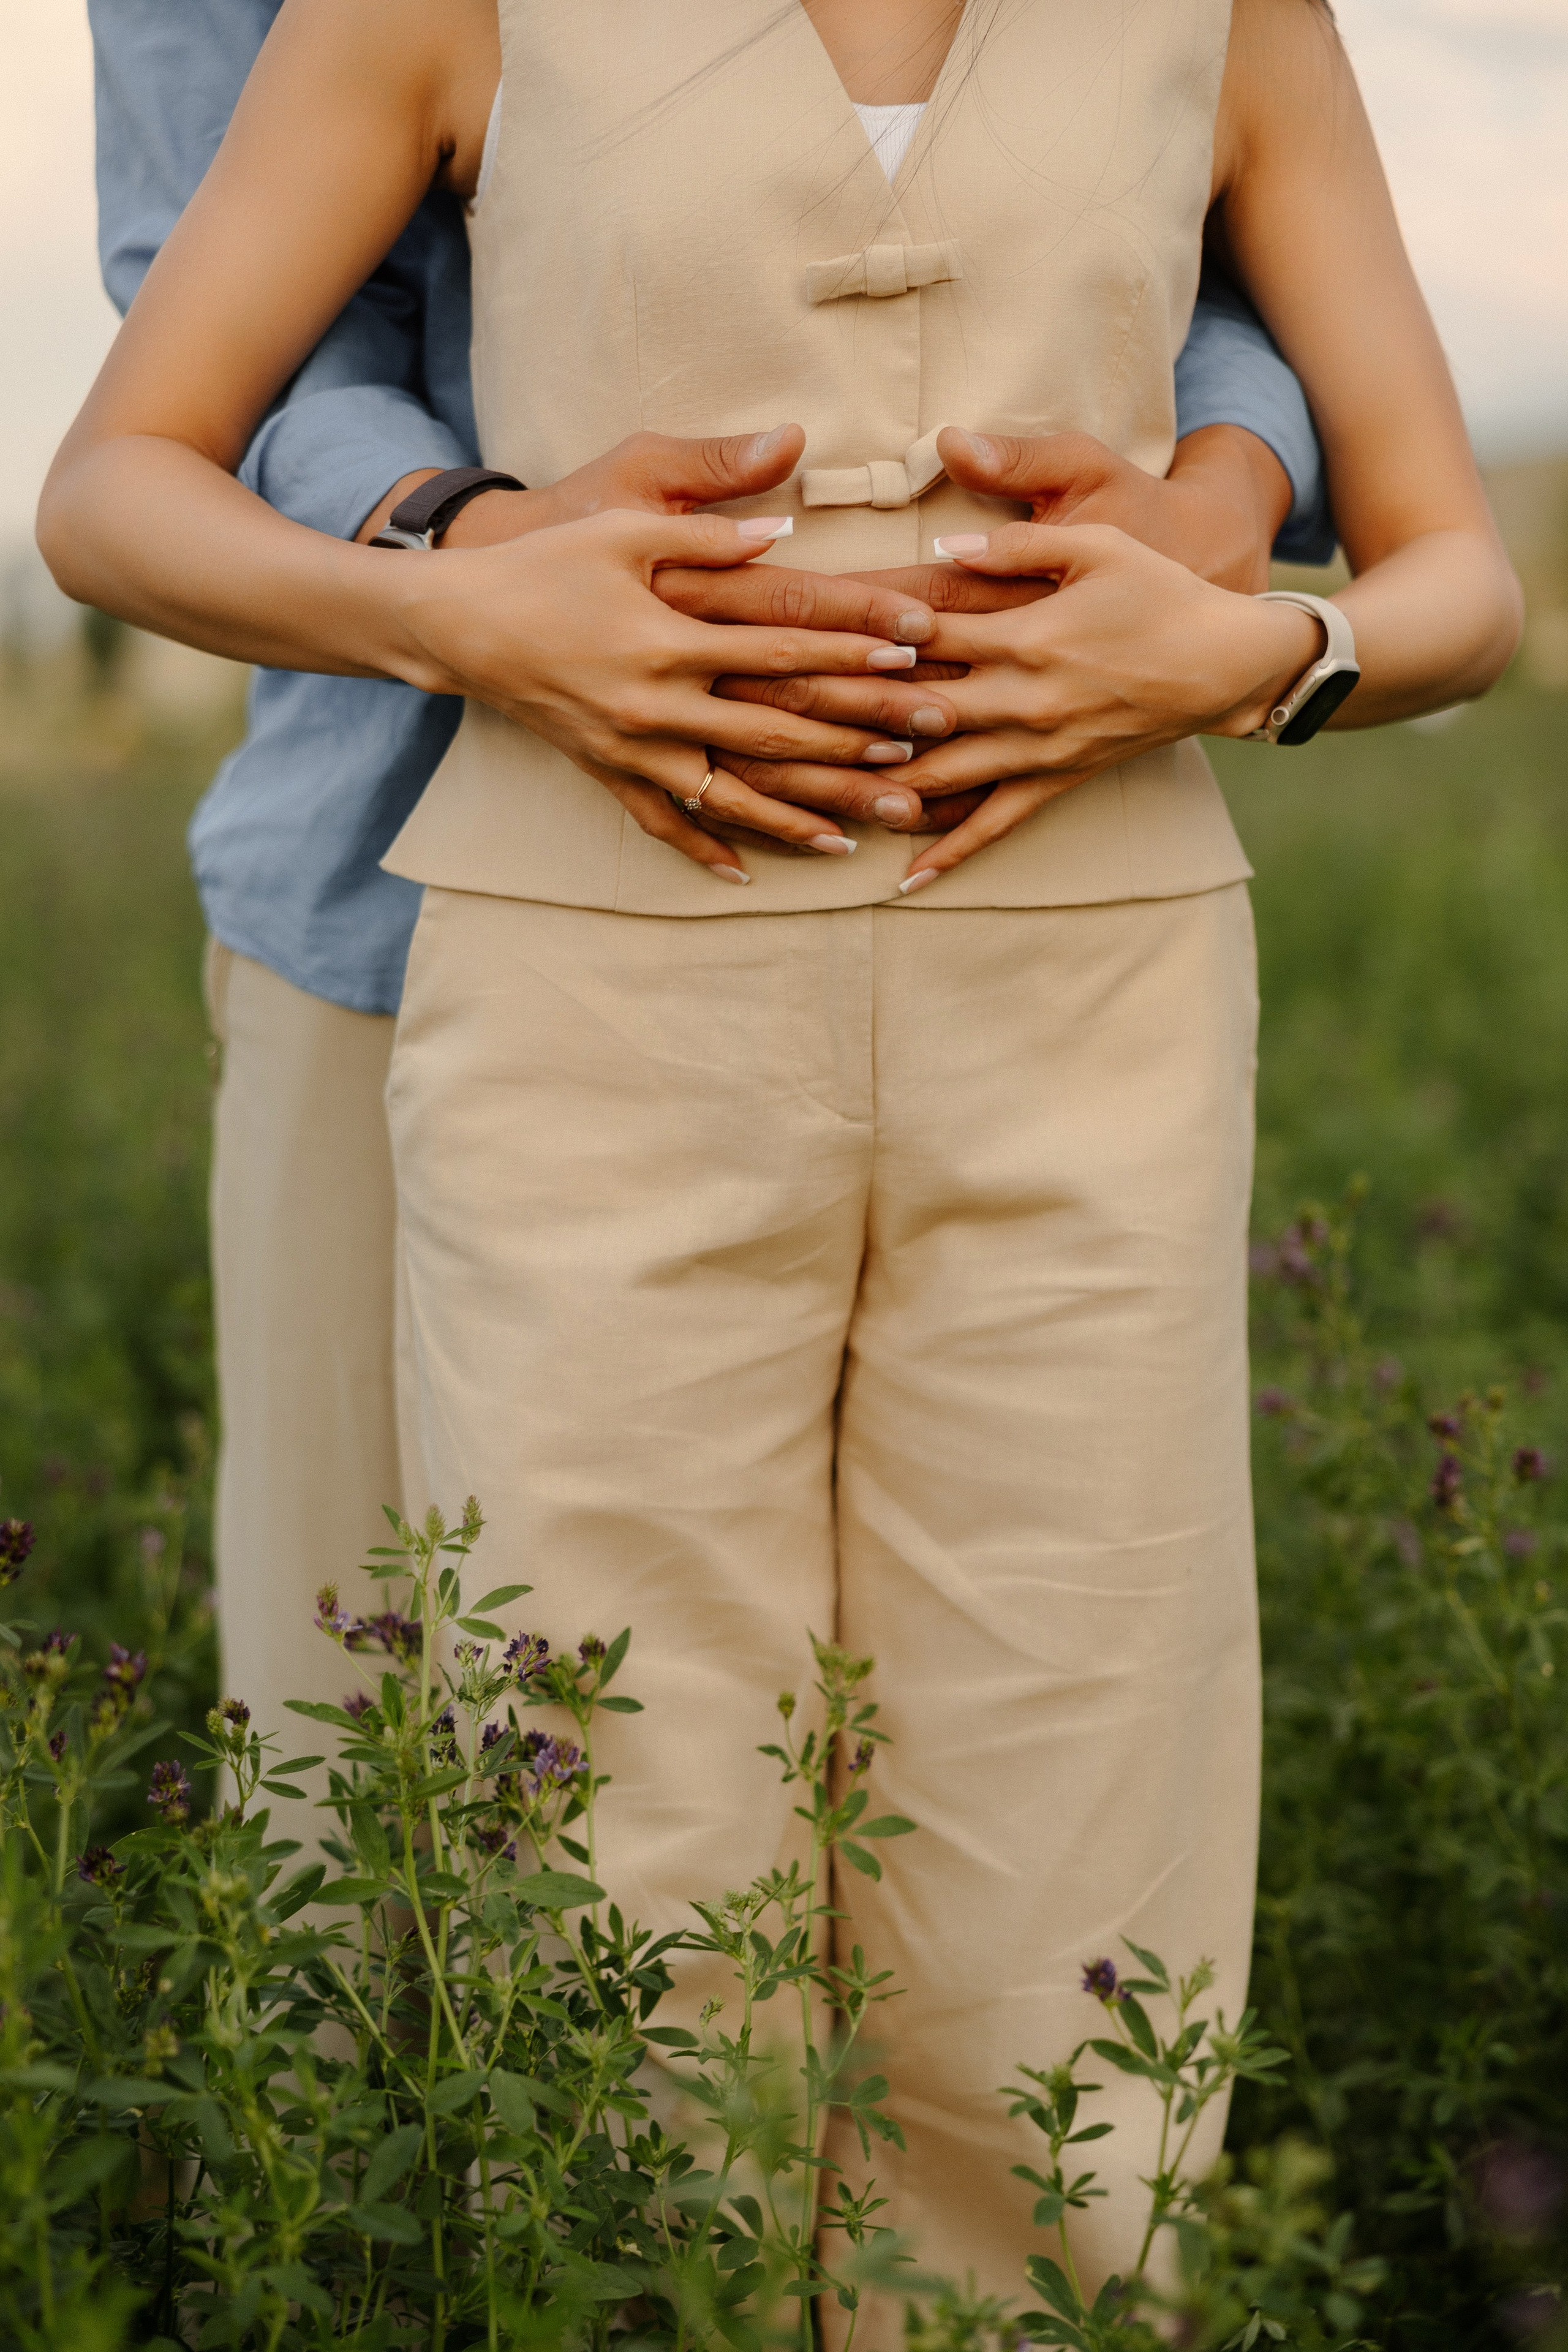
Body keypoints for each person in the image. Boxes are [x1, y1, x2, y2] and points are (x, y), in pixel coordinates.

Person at [43, 0, 1521, 2312]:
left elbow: (1439, 560)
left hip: (1092, 995)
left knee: (1067, 1857)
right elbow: (132, 462)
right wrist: (458, 597)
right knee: (601, 1824)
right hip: (575, 984)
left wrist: (1247, 645)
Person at [86, 0, 1335, 1793]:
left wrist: (1234, 487)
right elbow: (240, 357)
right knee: (409, 1760)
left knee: (1003, 1784)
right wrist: (480, 547)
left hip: (1020, 910)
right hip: (420, 880)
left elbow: (1191, 200)